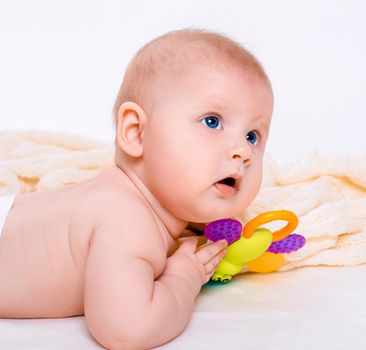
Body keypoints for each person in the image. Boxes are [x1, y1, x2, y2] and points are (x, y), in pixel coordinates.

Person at [0, 28, 274, 349]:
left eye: (253, 135)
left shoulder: (117, 197)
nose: (242, 150)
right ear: (136, 133)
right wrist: (183, 279)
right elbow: (126, 329)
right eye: (212, 121)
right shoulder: (127, 221)